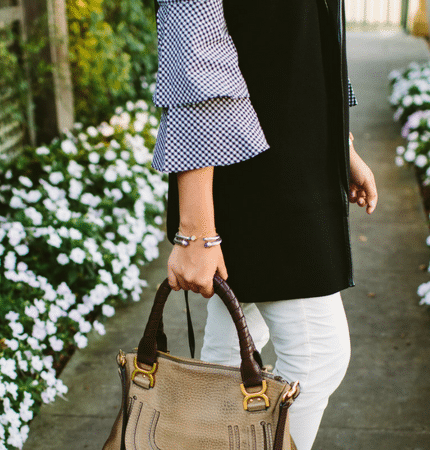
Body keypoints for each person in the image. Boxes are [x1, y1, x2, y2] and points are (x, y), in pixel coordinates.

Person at [150, 0, 378, 448]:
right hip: (257, 176)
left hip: (294, 159)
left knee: (230, 354)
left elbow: (310, 38)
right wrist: (195, 226)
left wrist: (341, 146)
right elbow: (194, 55)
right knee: (317, 359)